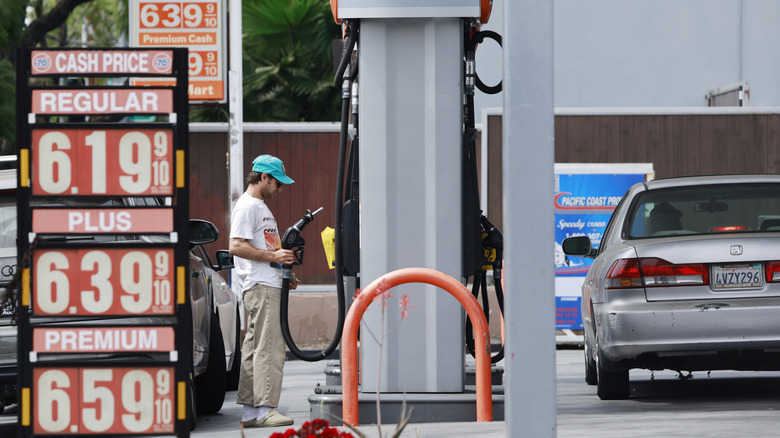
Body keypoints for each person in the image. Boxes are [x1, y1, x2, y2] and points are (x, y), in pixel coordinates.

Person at [229, 154, 299, 428]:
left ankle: (250, 412)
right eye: (277, 182)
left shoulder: (258, 207)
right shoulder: (248, 207)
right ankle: (266, 410)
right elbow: (236, 246)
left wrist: (284, 272)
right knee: (270, 349)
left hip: (265, 283)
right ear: (263, 177)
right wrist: (273, 261)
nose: (280, 189)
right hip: (261, 287)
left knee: (254, 349)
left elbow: (269, 251)